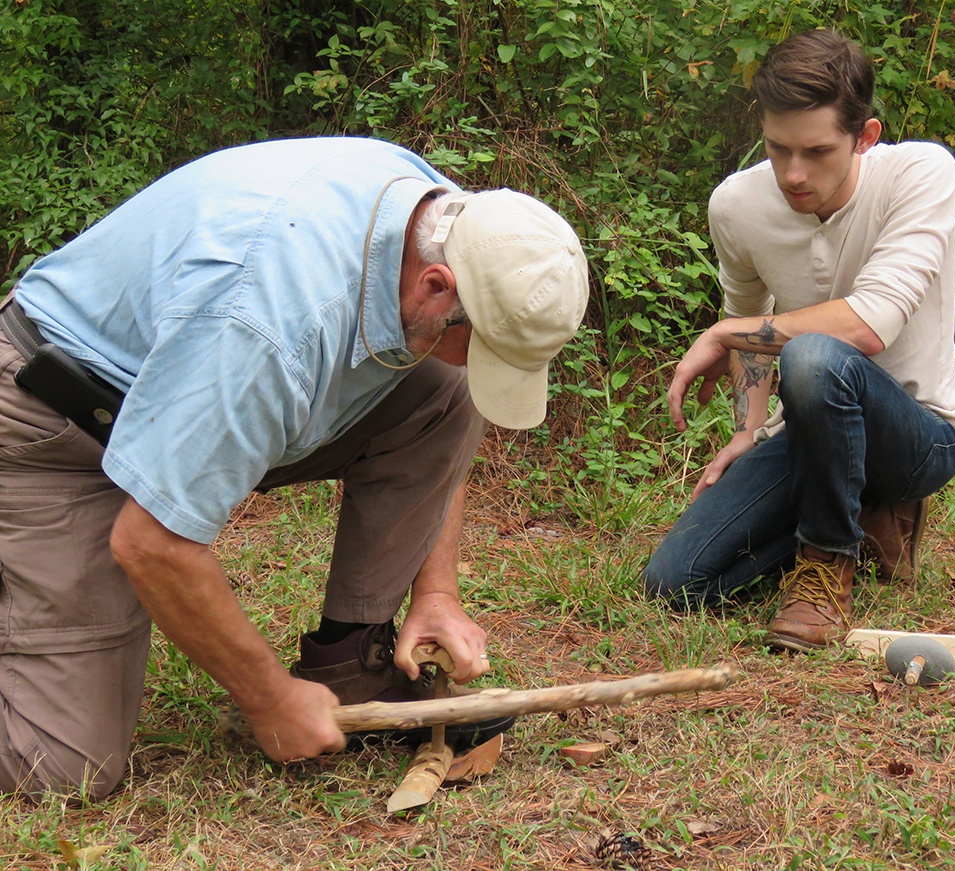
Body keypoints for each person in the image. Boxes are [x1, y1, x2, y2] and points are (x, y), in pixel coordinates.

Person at [0, 136, 589, 799]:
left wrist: (437, 594)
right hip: (56, 427)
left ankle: (350, 660)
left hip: (184, 390)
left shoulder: (445, 222)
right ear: (434, 286)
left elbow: (441, 391)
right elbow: (151, 543)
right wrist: (269, 697)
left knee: (443, 392)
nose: (471, 360)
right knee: (60, 766)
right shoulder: (266, 324)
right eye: (477, 344)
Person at [642, 30, 955, 652]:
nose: (793, 173)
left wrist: (729, 331)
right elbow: (748, 319)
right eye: (777, 147)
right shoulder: (737, 205)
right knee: (677, 582)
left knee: (816, 356)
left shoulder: (920, 174)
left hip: (919, 435)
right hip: (812, 431)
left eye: (817, 151)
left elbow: (871, 323)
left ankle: (826, 563)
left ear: (864, 137)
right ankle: (856, 509)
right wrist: (747, 427)